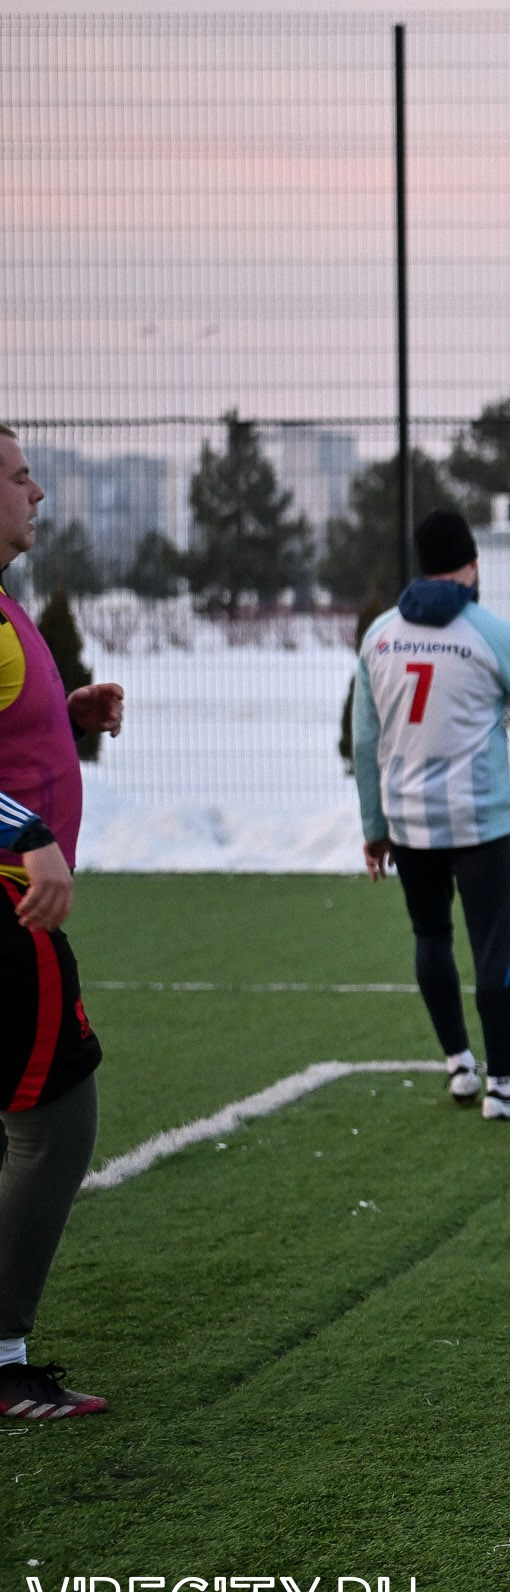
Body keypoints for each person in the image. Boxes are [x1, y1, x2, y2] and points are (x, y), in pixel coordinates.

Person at [352, 509, 510, 1120]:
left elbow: (364, 741)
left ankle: (461, 1066)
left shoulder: (379, 636)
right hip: (478, 821)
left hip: (408, 823)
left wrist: (374, 828)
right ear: (471, 565)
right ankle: (505, 1090)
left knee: (430, 937)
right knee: (492, 950)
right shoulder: (491, 632)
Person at [0, 427, 121, 1418]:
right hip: (10, 910)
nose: (36, 491)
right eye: (16, 474)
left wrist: (65, 716)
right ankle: (3, 1358)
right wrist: (28, 832)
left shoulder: (6, 607)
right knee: (54, 1115)